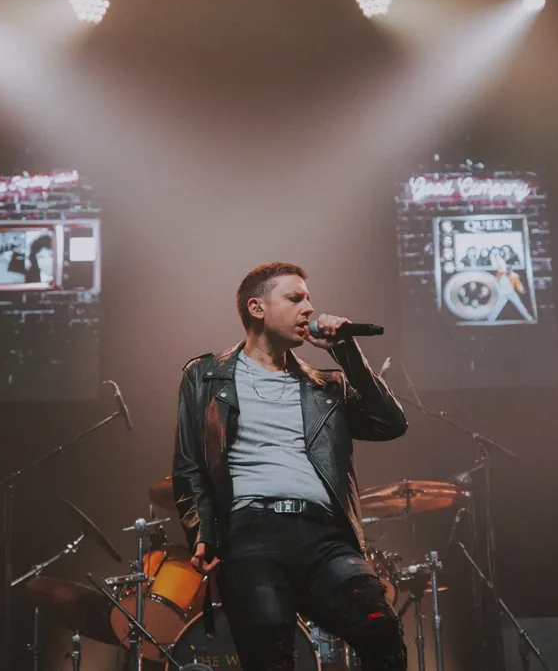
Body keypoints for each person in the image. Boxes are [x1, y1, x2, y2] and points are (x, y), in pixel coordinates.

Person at [172, 262, 409, 671]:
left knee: (382, 631)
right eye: (295, 298)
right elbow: (189, 466)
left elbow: (389, 424)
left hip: (326, 537)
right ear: (257, 308)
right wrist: (202, 534)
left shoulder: (326, 384)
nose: (309, 308)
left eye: (309, 299)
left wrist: (346, 351)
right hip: (251, 536)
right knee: (271, 656)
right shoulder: (206, 376)